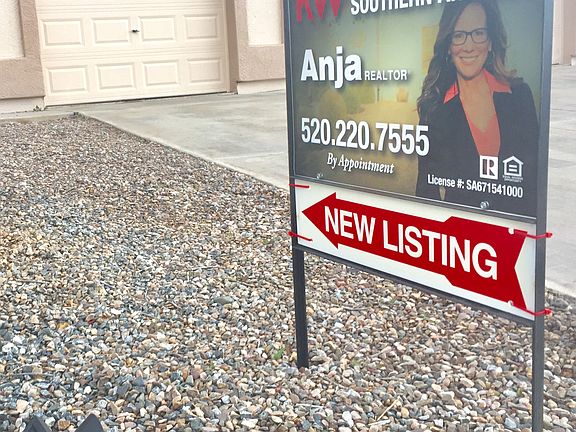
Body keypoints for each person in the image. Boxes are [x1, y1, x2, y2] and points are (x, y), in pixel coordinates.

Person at [416, 0, 539, 217]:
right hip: (460, 232)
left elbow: (534, 179)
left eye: (478, 33)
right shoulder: (434, 109)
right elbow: (426, 191)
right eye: (459, 35)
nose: (469, 46)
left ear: (490, 41)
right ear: (448, 45)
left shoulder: (520, 96)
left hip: (515, 231)